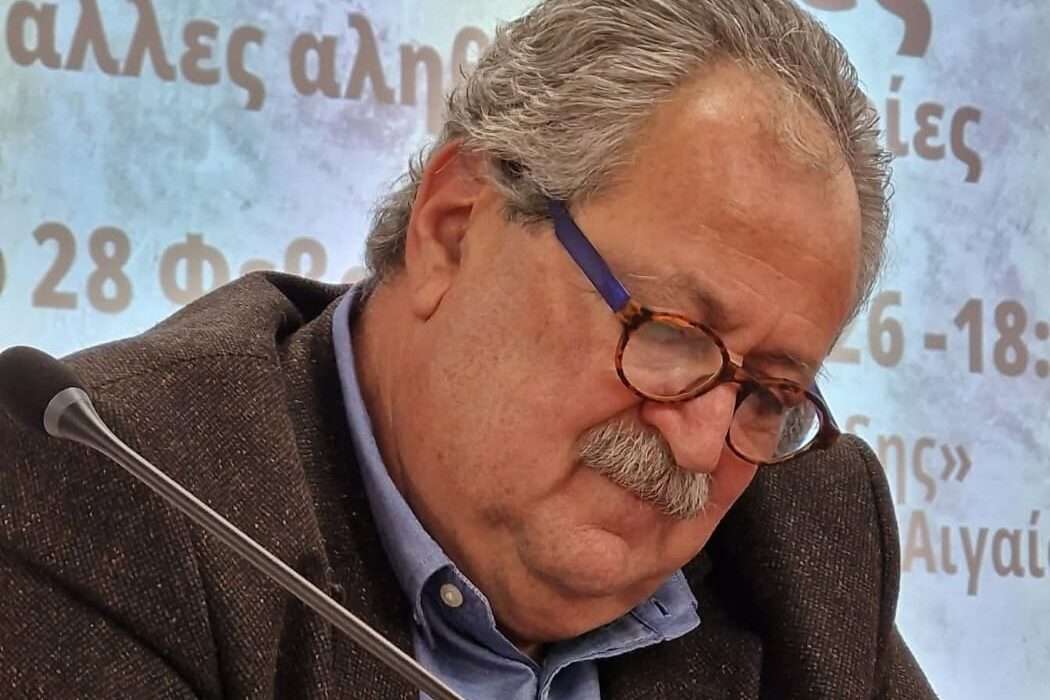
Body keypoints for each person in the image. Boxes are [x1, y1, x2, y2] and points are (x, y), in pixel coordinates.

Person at [0, 0, 937, 697]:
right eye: (670, 333)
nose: (699, 444)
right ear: (453, 227)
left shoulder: (807, 539)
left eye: (768, 393)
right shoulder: (102, 489)